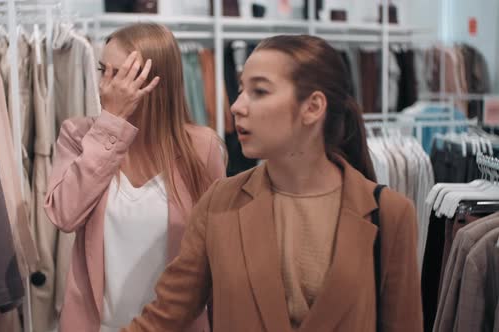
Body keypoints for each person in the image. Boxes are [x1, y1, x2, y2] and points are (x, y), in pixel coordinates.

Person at [122, 35, 423, 332]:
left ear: (313, 107)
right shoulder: (220, 203)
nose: (237, 106)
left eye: (260, 91)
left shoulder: (389, 214)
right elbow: (164, 317)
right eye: (240, 90)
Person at [44, 23, 225, 332]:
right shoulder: (79, 136)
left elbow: (216, 255)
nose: (104, 86)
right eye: (103, 70)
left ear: (154, 82)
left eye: (120, 75)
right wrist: (111, 124)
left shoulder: (201, 147)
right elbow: (64, 214)